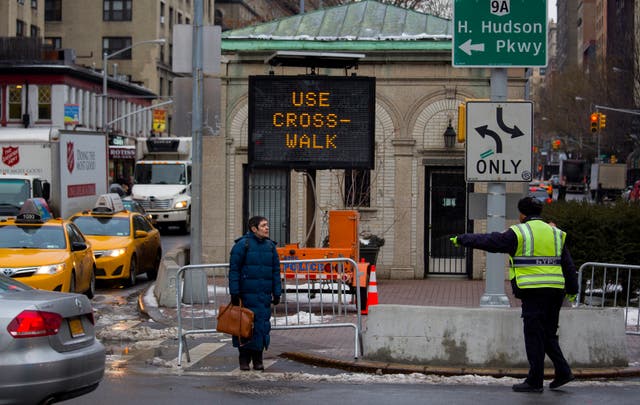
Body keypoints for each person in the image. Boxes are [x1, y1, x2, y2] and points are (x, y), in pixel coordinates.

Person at [450, 196, 578, 393]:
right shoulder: (555, 233)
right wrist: (572, 289)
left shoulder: (519, 232)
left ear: (521, 214)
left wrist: (462, 239)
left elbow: (490, 241)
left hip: (534, 291)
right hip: (555, 291)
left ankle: (535, 381)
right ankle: (563, 371)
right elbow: (568, 264)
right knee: (548, 334)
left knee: (534, 335)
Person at [228, 216, 282, 371]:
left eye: (267, 225)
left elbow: (275, 272)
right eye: (263, 225)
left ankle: (258, 359)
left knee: (262, 327)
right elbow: (234, 271)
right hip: (245, 295)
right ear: (254, 228)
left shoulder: (270, 247)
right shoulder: (241, 245)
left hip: (263, 296)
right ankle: (244, 359)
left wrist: (277, 292)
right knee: (244, 326)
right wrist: (235, 293)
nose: (267, 228)